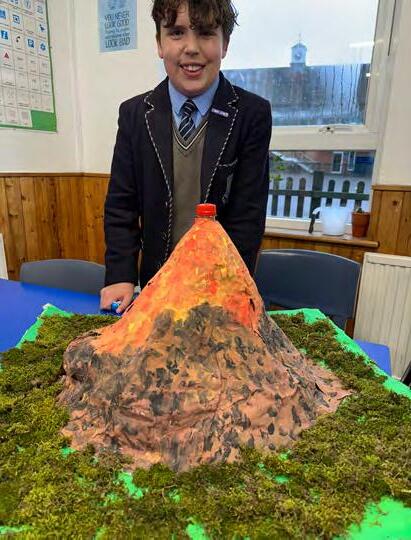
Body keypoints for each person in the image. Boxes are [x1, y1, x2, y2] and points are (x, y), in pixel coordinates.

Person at [100, 0, 272, 314]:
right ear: (159, 43)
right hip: (155, 287)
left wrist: (229, 292)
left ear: (225, 44)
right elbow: (121, 205)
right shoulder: (135, 114)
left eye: (206, 33)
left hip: (219, 291)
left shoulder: (251, 115)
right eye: (177, 33)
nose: (191, 48)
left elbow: (248, 218)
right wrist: (120, 275)